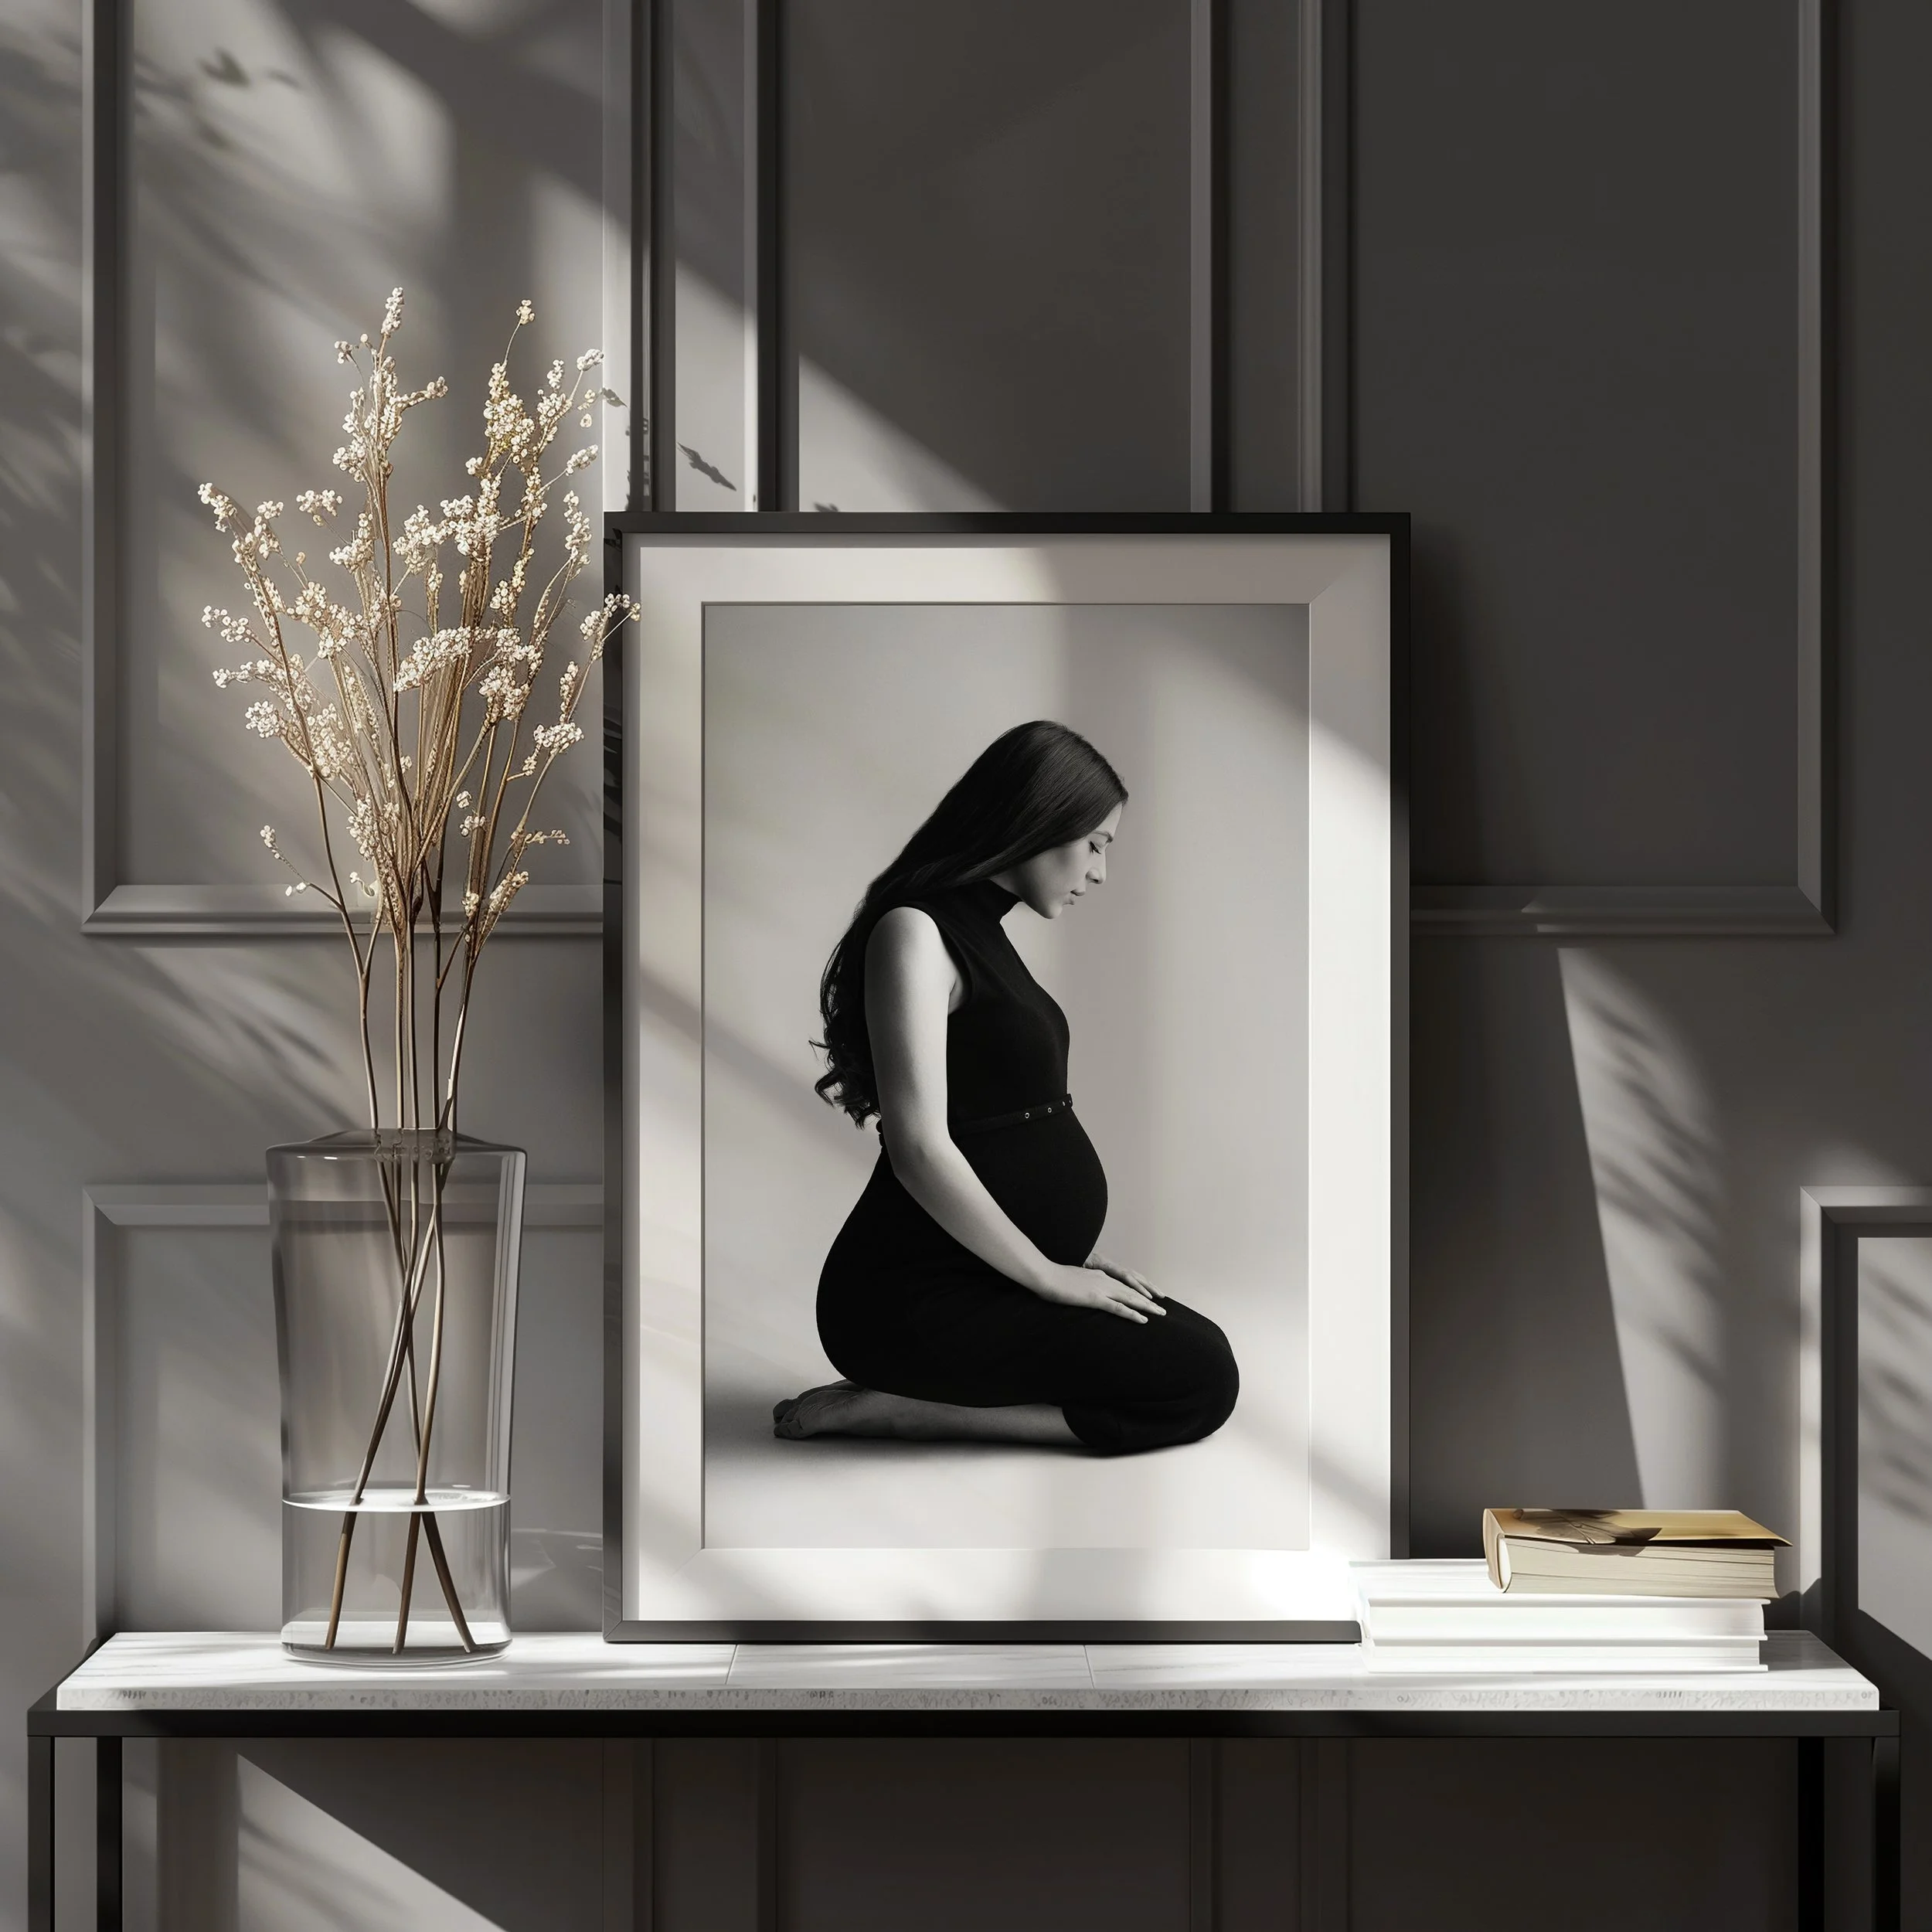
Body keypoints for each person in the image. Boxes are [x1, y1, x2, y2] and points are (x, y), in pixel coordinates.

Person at [774, 719, 1240, 1454]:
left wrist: (1062, 1266)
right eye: (1095, 844)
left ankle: (913, 1399)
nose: (1100, 871)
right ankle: (896, 1410)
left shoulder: (985, 937)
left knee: (1199, 1351)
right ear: (1037, 820)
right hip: (907, 1301)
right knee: (1198, 1377)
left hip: (992, 1276)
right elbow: (921, 1149)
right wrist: (1049, 1279)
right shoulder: (914, 931)